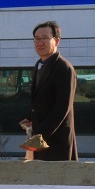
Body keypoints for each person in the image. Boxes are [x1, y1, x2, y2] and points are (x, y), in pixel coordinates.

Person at [19, 21, 78, 161]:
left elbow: (62, 107)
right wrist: (29, 118)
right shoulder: (39, 65)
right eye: (37, 39)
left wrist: (40, 136)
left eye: (45, 38)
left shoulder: (64, 68)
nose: (40, 43)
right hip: (39, 139)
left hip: (56, 140)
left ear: (57, 41)